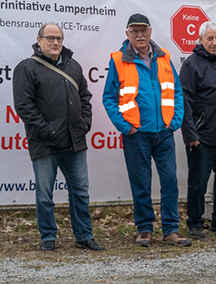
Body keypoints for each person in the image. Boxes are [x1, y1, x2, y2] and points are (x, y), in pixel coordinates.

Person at [13, 23, 104, 251]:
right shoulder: (27, 68)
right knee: (44, 194)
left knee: (80, 192)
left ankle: (84, 236)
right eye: (50, 38)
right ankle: (48, 237)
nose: (55, 43)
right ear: (39, 40)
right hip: (45, 144)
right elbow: (24, 106)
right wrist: (47, 131)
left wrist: (85, 124)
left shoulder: (73, 65)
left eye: (59, 38)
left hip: (74, 143)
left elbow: (85, 96)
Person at [102, 13, 190, 247]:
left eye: (143, 30)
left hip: (164, 133)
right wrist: (125, 126)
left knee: (170, 181)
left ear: (150, 32)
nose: (140, 35)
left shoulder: (164, 57)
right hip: (136, 134)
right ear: (127, 34)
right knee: (141, 182)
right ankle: (144, 229)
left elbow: (177, 92)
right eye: (135, 31)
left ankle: (171, 230)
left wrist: (175, 120)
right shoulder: (119, 59)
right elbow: (109, 98)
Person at [180, 21, 216, 238]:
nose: (214, 43)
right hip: (201, 137)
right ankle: (194, 222)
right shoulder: (191, 64)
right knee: (198, 183)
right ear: (200, 39)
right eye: (209, 39)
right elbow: (184, 101)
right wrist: (191, 134)